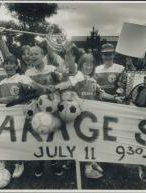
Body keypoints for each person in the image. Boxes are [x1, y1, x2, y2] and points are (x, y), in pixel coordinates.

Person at [54, 53, 122, 179]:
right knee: (81, 142)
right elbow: (66, 88)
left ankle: (91, 161)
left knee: (92, 141)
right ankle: (87, 168)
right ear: (81, 65)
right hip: (78, 118)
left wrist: (115, 97)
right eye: (86, 64)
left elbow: (101, 94)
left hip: (91, 117)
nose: (89, 67)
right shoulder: (76, 78)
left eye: (91, 64)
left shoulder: (93, 80)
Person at [25, 45, 64, 177]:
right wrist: (42, 88)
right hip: (37, 109)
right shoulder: (28, 73)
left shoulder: (52, 69)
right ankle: (40, 162)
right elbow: (30, 90)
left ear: (43, 56)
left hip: (52, 109)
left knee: (52, 136)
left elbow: (60, 85)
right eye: (30, 54)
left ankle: (54, 162)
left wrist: (54, 87)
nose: (33, 56)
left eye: (36, 54)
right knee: (39, 136)